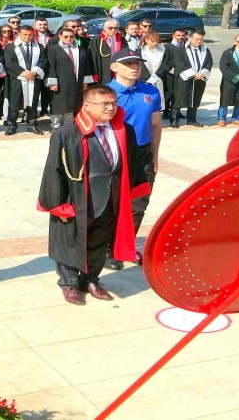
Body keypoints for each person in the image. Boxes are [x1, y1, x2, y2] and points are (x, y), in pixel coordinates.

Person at [38, 85, 150, 305]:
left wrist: (134, 190)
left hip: (110, 198)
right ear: (87, 106)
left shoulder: (124, 130)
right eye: (104, 104)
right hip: (79, 197)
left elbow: (133, 162)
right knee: (70, 242)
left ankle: (90, 279)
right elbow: (54, 169)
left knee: (99, 241)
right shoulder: (68, 133)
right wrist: (58, 204)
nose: (110, 108)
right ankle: (69, 283)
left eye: (113, 103)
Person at [104, 49, 161, 270]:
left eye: (137, 63)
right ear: (114, 67)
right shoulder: (105, 94)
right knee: (112, 204)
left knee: (139, 203)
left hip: (142, 154)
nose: (134, 67)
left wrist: (154, 155)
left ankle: (125, 246)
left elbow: (155, 125)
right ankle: (108, 248)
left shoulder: (150, 91)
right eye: (128, 64)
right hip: (114, 154)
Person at [45, 27, 94, 132]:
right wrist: (53, 83)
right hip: (60, 82)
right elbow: (50, 67)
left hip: (76, 82)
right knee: (58, 104)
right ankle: (55, 126)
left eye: (71, 36)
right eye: (66, 36)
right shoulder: (53, 50)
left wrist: (85, 82)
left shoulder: (80, 49)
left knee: (72, 103)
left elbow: (86, 66)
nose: (69, 38)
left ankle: (69, 126)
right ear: (60, 36)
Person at [3, 25, 48, 135]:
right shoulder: (10, 47)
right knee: (14, 102)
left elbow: (43, 61)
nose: (28, 37)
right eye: (25, 34)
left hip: (33, 78)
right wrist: (25, 74)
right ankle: (12, 125)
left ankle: (32, 124)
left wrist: (34, 72)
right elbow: (9, 63)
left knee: (33, 102)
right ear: (19, 34)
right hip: (17, 80)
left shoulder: (39, 47)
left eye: (30, 35)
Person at [172, 30, 213, 127]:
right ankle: (174, 120)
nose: (199, 41)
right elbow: (179, 63)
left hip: (199, 78)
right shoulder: (181, 49)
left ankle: (191, 119)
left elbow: (209, 62)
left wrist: (202, 73)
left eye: (201, 39)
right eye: (196, 39)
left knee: (196, 99)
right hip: (184, 78)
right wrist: (193, 74)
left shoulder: (205, 49)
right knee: (179, 99)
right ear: (190, 38)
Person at [138, 31, 171, 113]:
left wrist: (158, 75)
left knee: (157, 100)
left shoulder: (161, 51)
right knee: (145, 100)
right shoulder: (140, 51)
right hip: (144, 78)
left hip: (157, 77)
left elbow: (164, 64)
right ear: (146, 40)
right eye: (152, 41)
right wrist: (148, 77)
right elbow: (140, 65)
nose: (154, 43)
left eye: (156, 41)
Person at [89, 19, 127, 84]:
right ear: (104, 28)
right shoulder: (97, 40)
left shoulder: (122, 40)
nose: (113, 30)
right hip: (103, 70)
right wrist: (94, 73)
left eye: (116, 28)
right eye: (110, 28)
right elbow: (92, 58)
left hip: (118, 69)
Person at [162, 29, 187, 119]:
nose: (181, 37)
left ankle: (176, 112)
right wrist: (173, 70)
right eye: (178, 35)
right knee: (169, 93)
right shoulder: (167, 47)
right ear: (173, 36)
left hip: (183, 74)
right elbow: (165, 61)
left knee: (179, 93)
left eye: (183, 35)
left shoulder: (187, 47)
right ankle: (166, 112)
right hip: (170, 74)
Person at [33, 18, 54, 117]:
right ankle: (32, 113)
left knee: (47, 90)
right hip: (36, 67)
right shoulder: (31, 36)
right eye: (40, 24)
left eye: (45, 24)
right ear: (35, 26)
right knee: (35, 91)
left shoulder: (53, 37)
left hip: (49, 67)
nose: (42, 26)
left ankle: (44, 110)